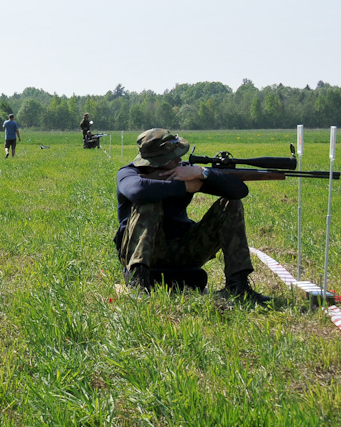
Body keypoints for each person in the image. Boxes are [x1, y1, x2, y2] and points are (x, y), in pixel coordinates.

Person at [115, 128, 270, 304]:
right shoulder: (129, 173)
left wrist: (203, 173)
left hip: (183, 249)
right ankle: (138, 283)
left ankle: (238, 286)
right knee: (149, 203)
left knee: (230, 204)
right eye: (174, 157)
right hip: (141, 253)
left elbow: (239, 191)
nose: (179, 160)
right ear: (157, 162)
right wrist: (183, 187)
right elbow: (138, 191)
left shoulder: (183, 172)